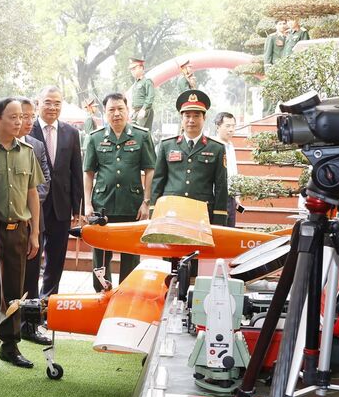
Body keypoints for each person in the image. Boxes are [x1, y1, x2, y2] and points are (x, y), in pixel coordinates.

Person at [0, 98, 44, 368]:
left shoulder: (27, 151)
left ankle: (10, 345)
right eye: (13, 117)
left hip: (18, 229)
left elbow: (33, 193)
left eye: (21, 117)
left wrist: (35, 233)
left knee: (15, 289)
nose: (19, 122)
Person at [83, 93, 154, 290]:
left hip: (132, 205)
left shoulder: (141, 136)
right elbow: (88, 173)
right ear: (105, 113)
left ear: (127, 110)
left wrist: (146, 202)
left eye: (120, 109)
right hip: (102, 205)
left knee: (131, 254)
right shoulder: (95, 137)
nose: (116, 114)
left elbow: (150, 170)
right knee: (101, 254)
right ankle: (102, 294)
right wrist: (87, 204)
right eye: (111, 110)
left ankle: (127, 294)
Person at [30, 85, 83, 297]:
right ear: (38, 104)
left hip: (62, 205)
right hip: (35, 205)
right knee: (32, 256)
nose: (52, 107)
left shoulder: (71, 133)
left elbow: (76, 171)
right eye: (48, 102)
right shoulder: (28, 129)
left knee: (56, 257)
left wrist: (77, 208)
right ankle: (30, 301)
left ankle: (48, 301)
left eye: (57, 103)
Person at [150, 90, 228, 226]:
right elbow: (158, 181)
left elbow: (221, 186)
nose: (191, 120)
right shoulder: (167, 145)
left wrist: (219, 218)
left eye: (196, 116)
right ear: (182, 118)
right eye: (187, 116)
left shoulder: (216, 148)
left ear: (204, 118)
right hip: (171, 211)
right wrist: (153, 211)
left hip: (201, 213)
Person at [17, 100, 53, 343]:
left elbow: (44, 180)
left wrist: (28, 205)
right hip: (6, 221)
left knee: (31, 275)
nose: (28, 122)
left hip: (32, 219)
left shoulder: (36, 145)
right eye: (23, 116)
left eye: (31, 116)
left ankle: (29, 326)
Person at [214, 111, 242, 224]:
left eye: (233, 126)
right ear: (217, 127)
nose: (231, 129)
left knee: (231, 227)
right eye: (227, 126)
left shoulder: (231, 146)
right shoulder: (213, 146)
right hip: (218, 197)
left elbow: (233, 171)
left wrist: (237, 196)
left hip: (231, 197)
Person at [128, 58, 155, 128]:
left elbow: (150, 96)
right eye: (131, 69)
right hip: (136, 111)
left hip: (144, 110)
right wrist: (132, 110)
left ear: (141, 68)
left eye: (134, 68)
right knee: (134, 130)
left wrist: (144, 109)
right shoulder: (136, 83)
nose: (132, 71)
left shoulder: (147, 81)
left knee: (140, 131)